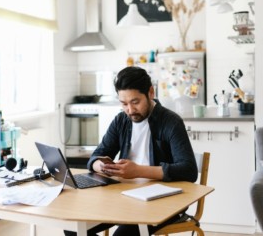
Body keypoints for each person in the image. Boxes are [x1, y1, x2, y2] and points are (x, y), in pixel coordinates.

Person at [64, 66, 198, 236]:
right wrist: (102, 166)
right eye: (124, 103)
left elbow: (189, 170)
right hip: (124, 196)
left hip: (162, 200)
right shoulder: (121, 121)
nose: (129, 110)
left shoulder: (171, 122)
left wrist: (138, 171)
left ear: (150, 92)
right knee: (73, 228)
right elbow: (96, 157)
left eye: (135, 102)